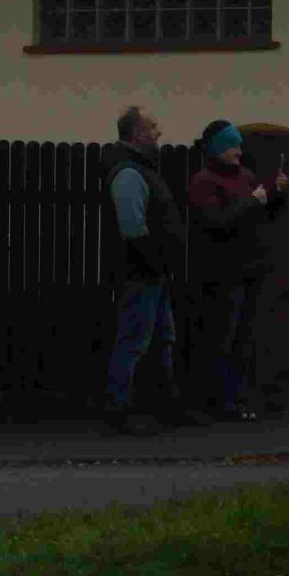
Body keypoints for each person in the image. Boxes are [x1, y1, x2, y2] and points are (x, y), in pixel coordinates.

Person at [187, 121, 289, 420]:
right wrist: (253, 201)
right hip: (223, 272)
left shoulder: (245, 176)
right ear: (217, 148)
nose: (239, 151)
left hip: (251, 268)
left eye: (239, 145)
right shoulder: (204, 181)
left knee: (244, 338)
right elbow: (216, 222)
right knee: (223, 337)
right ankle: (219, 401)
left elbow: (260, 214)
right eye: (232, 146)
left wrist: (277, 194)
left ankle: (238, 399)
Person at [102, 103, 187, 434]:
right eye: (153, 127)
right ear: (137, 133)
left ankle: (167, 407)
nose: (159, 132)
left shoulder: (140, 169)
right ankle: (118, 409)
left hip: (153, 272)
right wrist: (154, 263)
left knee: (163, 338)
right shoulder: (129, 173)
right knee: (134, 340)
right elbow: (133, 228)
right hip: (140, 273)